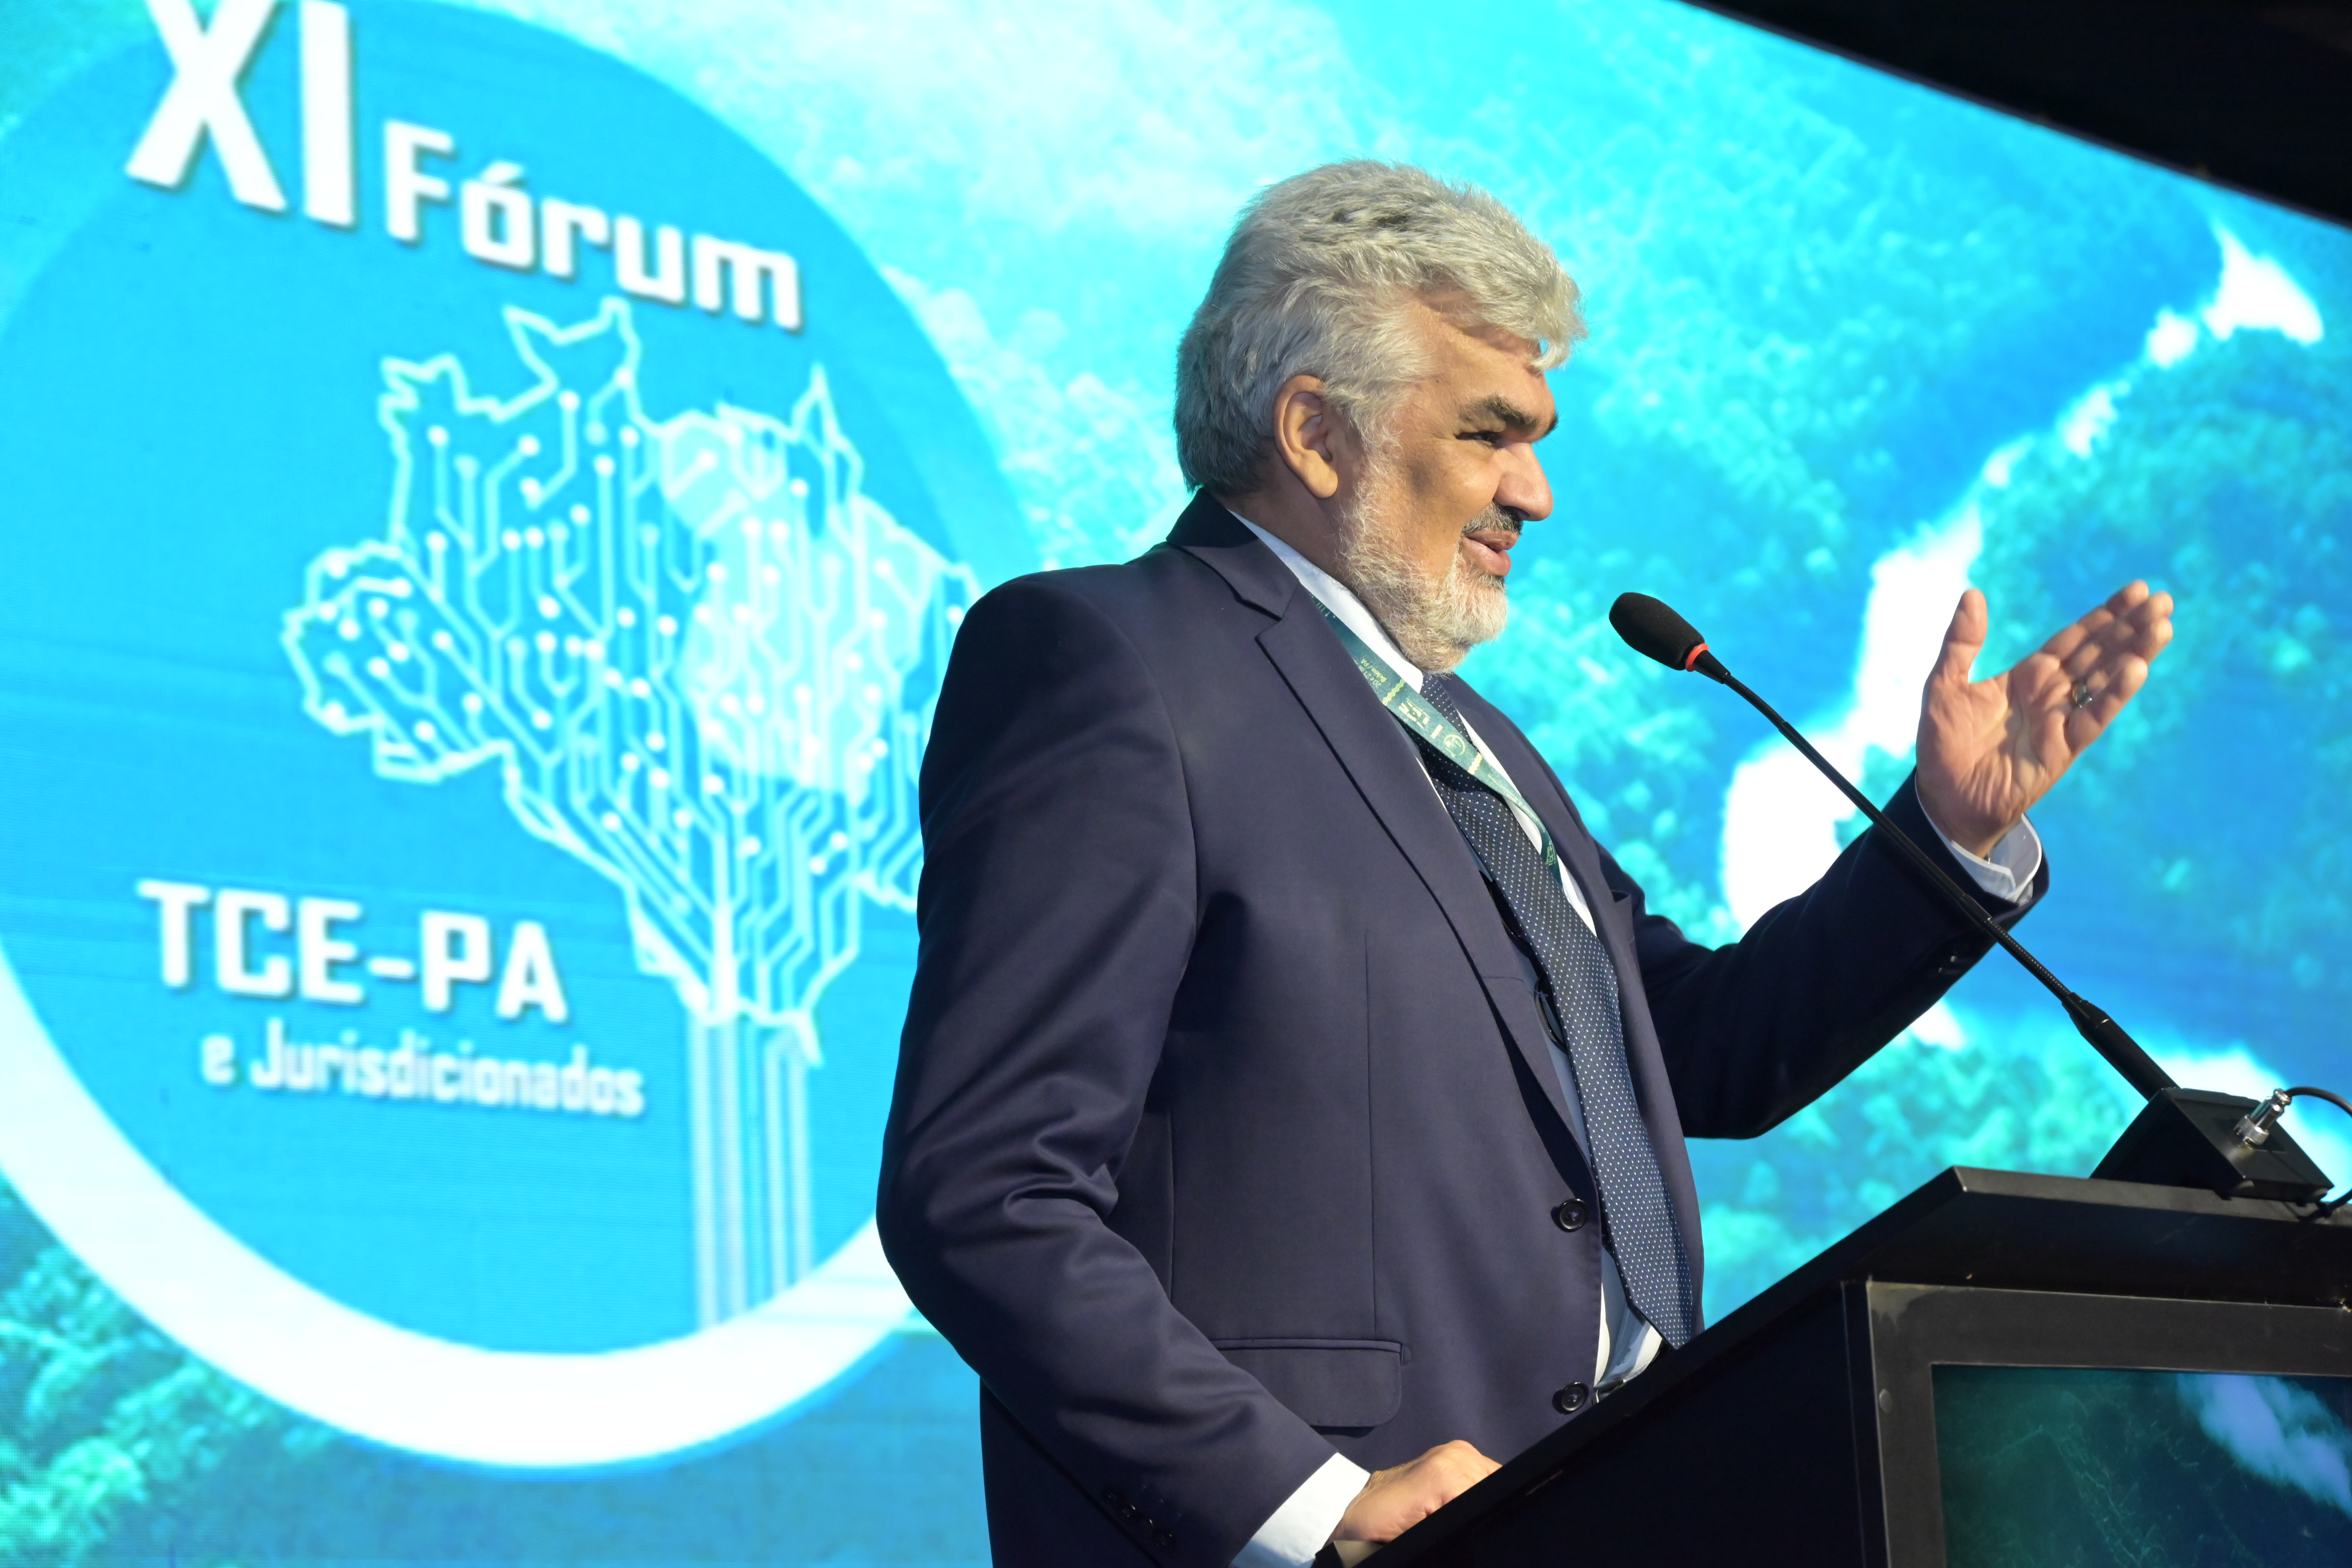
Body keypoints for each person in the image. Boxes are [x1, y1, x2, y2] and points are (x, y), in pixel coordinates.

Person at [877, 161, 2173, 1567]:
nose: (1537, 494)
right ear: (1317, 434)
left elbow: (1698, 1052)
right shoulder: (1108, 662)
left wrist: (1949, 836)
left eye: (1536, 440)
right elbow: (986, 1193)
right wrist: (1308, 1500)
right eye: (1491, 433)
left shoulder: (1475, 739)